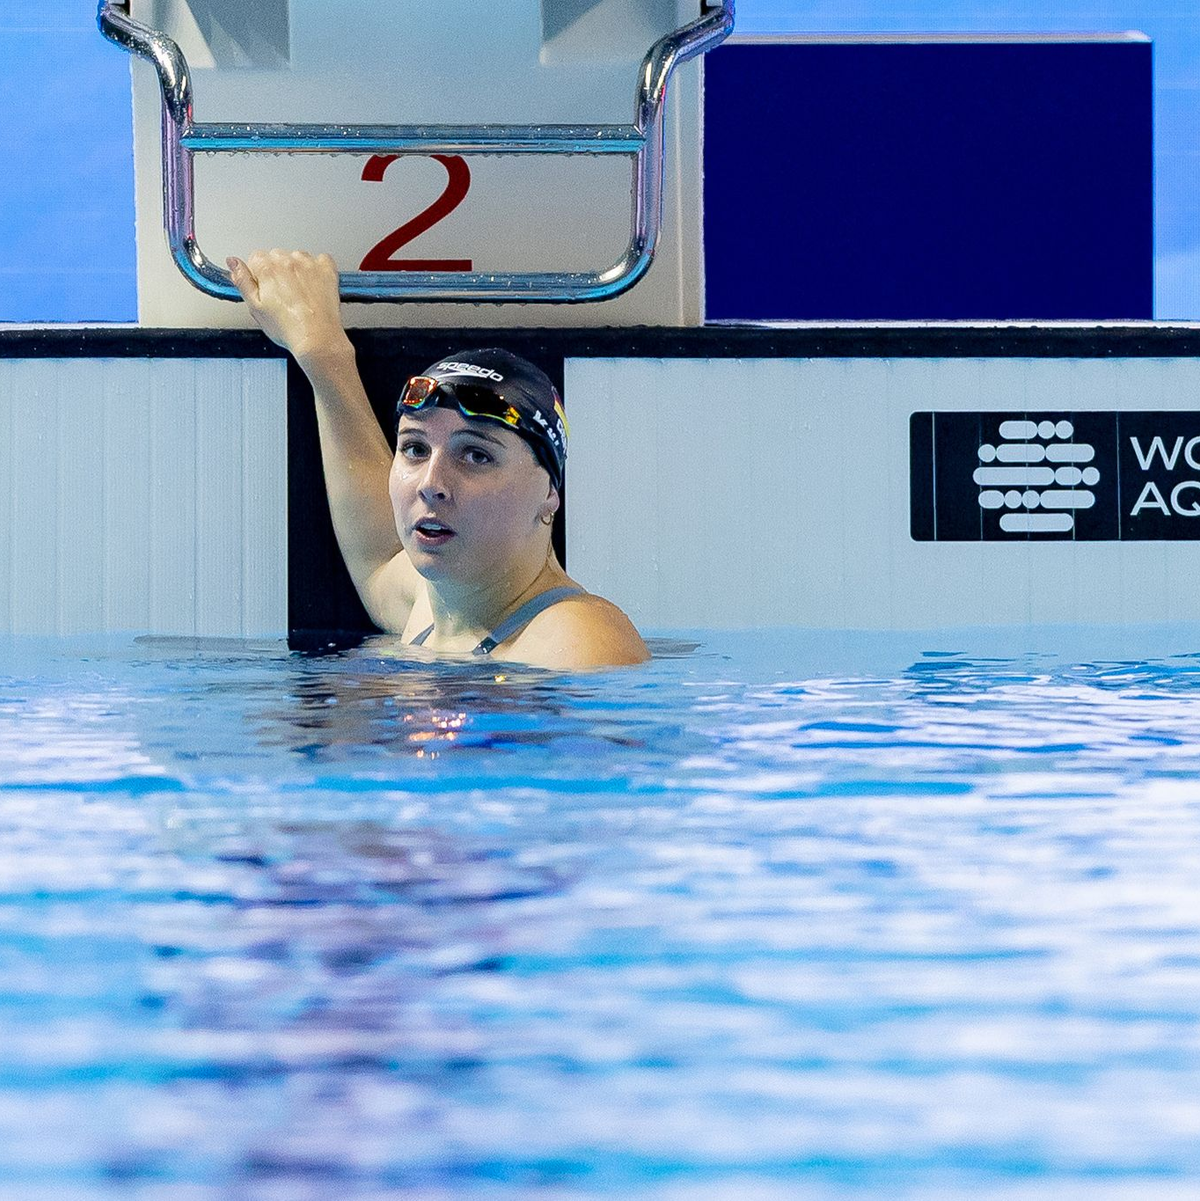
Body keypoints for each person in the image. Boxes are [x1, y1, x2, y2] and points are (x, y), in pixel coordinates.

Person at [227, 249, 649, 670]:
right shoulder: (432, 604)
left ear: (550, 492)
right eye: (415, 449)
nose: (431, 482)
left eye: (476, 455)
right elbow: (377, 560)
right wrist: (322, 352)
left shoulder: (577, 642)